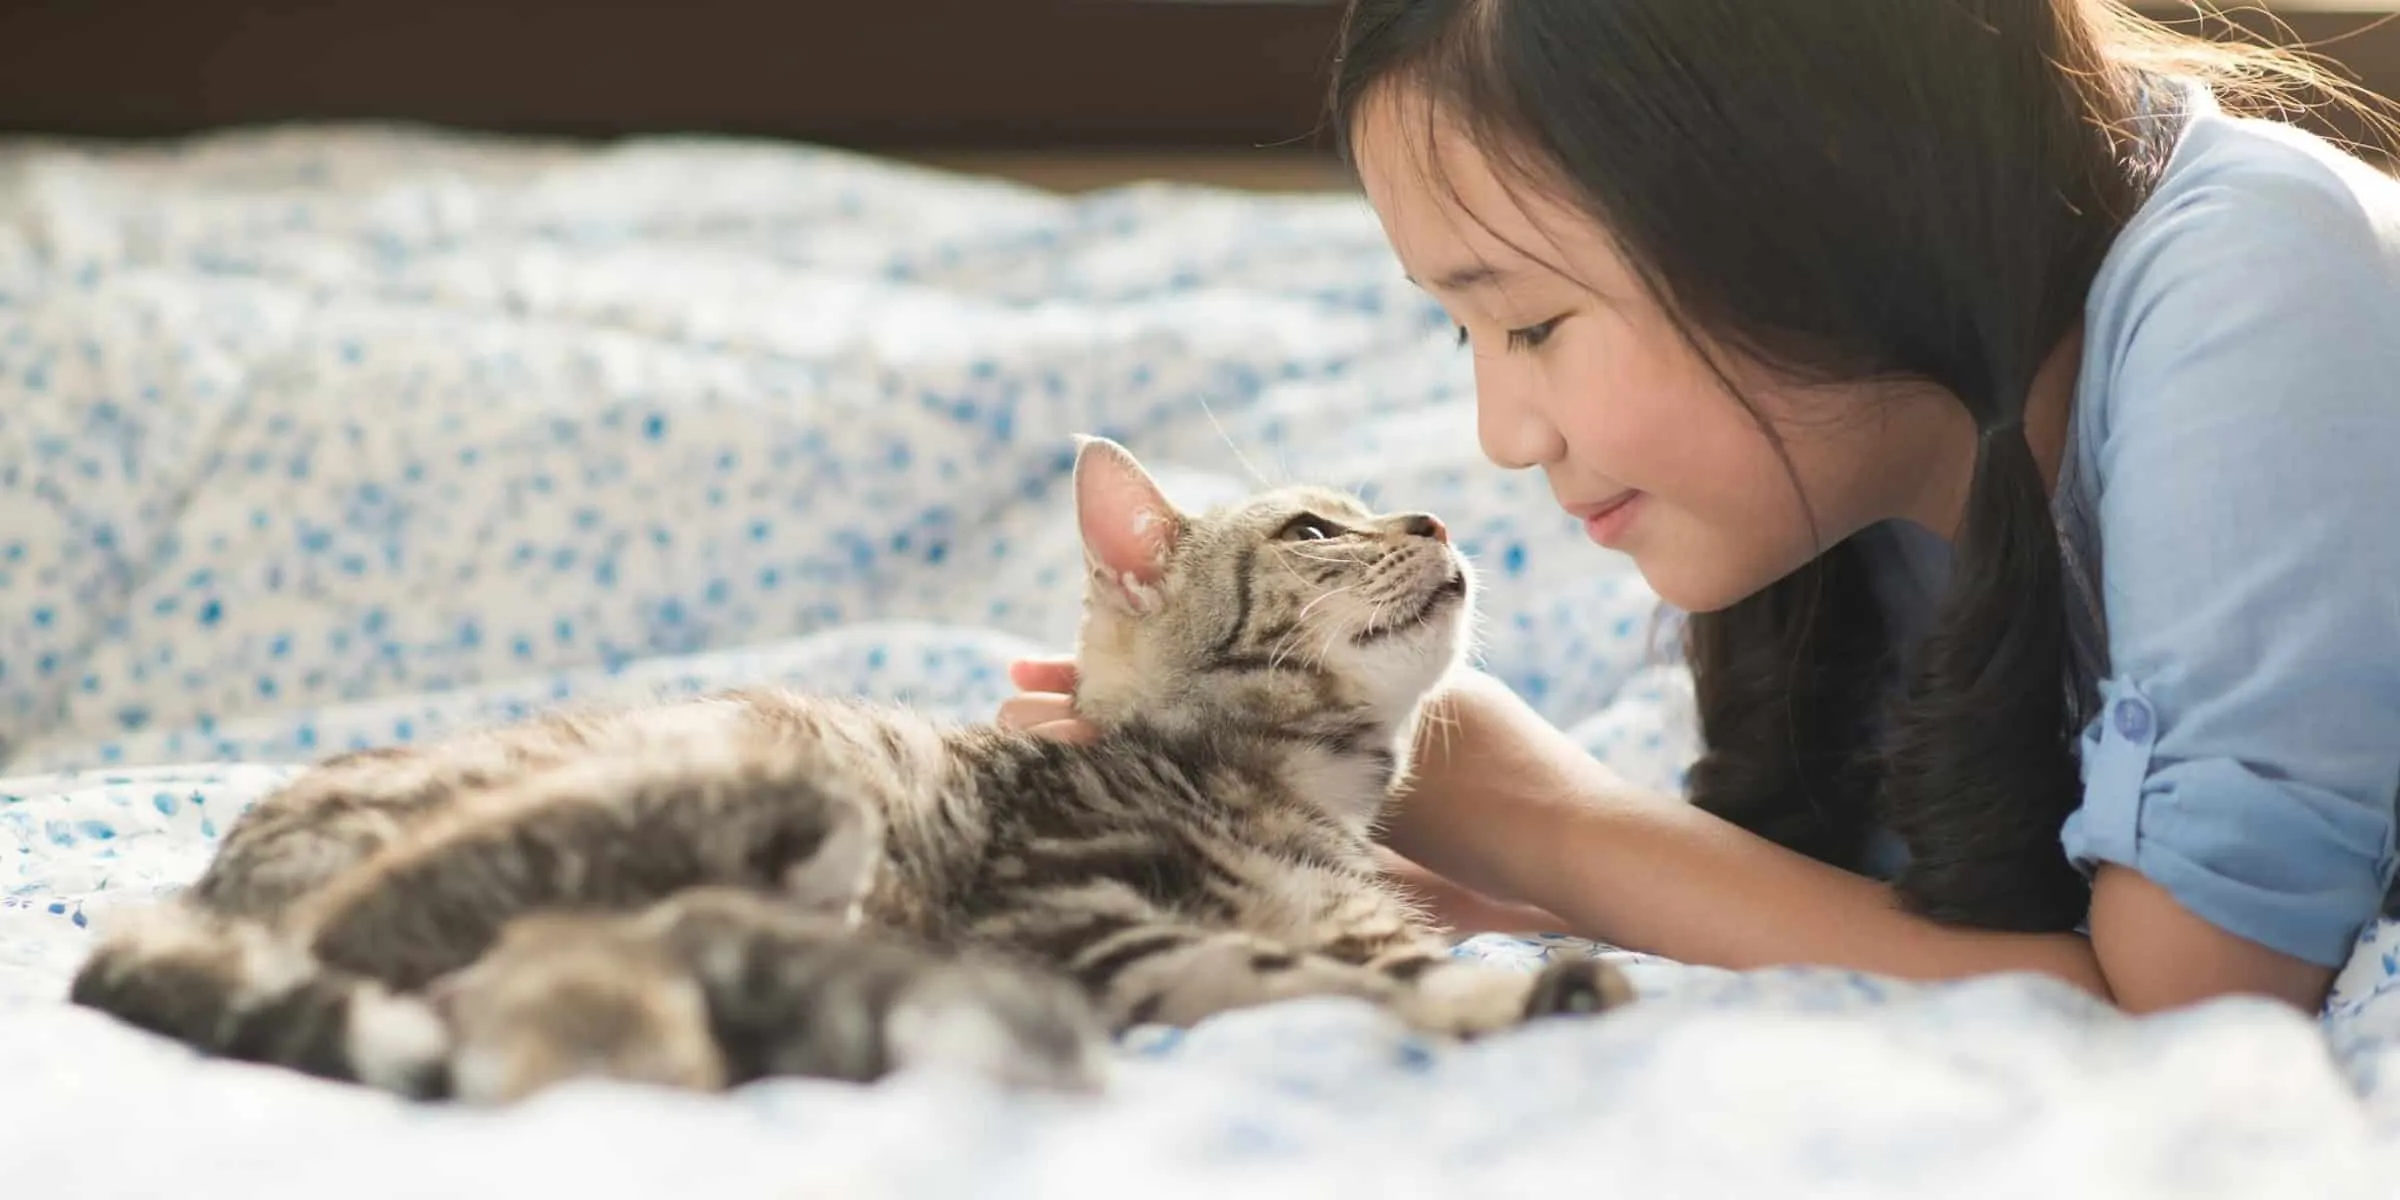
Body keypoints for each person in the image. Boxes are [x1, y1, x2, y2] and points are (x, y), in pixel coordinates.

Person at [1000, 0, 2400, 1016]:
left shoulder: (2262, 295)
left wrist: (1538, 808)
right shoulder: (1894, 471)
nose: (1501, 436)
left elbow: (2189, 1007)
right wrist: (1461, 887)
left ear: (1805, 198)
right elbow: (1941, 921)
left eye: (1533, 324)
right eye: (1460, 338)